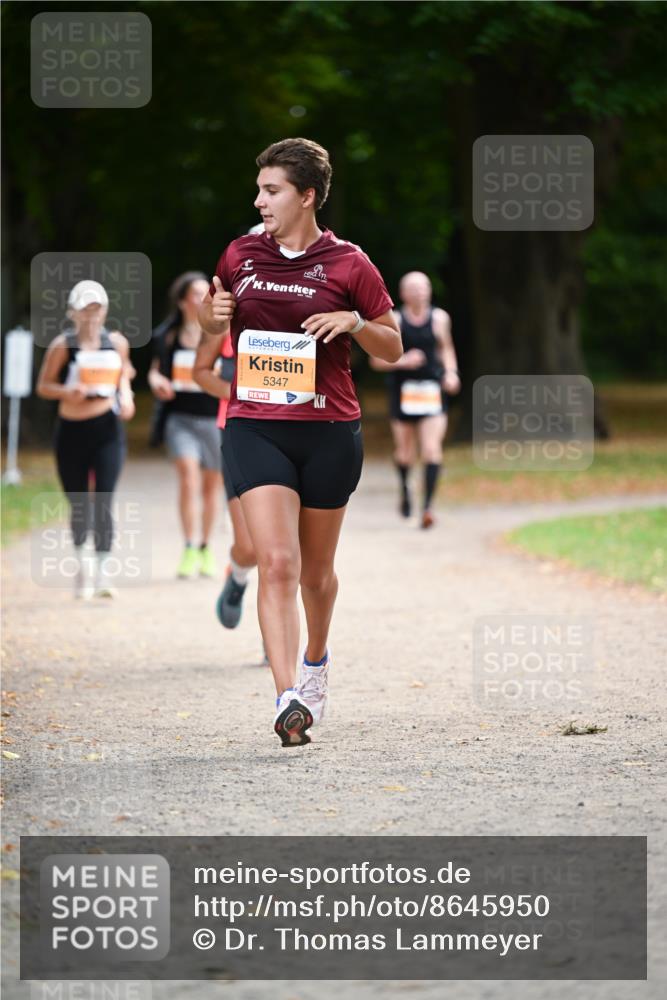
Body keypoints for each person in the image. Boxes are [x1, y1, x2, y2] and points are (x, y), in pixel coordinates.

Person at [198, 137, 402, 747]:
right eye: (260, 189)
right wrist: (212, 317)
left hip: (329, 431)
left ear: (306, 196)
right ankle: (287, 697)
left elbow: (392, 347)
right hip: (255, 424)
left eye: (271, 190)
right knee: (278, 562)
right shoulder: (240, 254)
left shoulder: (349, 264)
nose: (259, 200)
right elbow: (212, 328)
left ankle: (315, 660)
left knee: (316, 573)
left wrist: (357, 323)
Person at [36, 279, 135, 598]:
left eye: (96, 308)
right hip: (71, 430)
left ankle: (104, 573)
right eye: (85, 309)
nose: (91, 315)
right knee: (79, 502)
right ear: (73, 313)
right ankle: (85, 565)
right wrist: (68, 391)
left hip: (107, 429)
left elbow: (124, 375)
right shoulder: (62, 345)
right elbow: (44, 386)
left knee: (104, 499)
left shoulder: (117, 343)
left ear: (105, 310)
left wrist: (127, 396)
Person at [370, 271, 461, 529]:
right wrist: (403, 361)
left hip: (432, 391)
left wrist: (451, 373)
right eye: (413, 288)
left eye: (424, 287)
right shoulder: (395, 320)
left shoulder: (440, 318)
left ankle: (428, 506)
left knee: (432, 449)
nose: (419, 292)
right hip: (403, 393)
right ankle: (405, 488)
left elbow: (447, 348)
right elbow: (376, 361)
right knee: (405, 452)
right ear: (402, 293)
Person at [148, 272, 222, 579]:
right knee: (188, 479)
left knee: (210, 488)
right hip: (180, 419)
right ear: (182, 301)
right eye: (195, 293)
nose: (203, 298)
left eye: (207, 292)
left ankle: (205, 547)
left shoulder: (222, 333)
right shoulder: (166, 336)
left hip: (215, 419)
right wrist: (157, 381)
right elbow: (154, 372)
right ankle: (189, 546)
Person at [192, 329, 258, 631]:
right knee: (249, 547)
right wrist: (240, 393)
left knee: (283, 551)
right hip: (237, 431)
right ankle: (238, 576)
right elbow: (201, 373)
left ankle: (275, 638)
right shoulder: (222, 323)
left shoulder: (302, 310)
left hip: (292, 432)